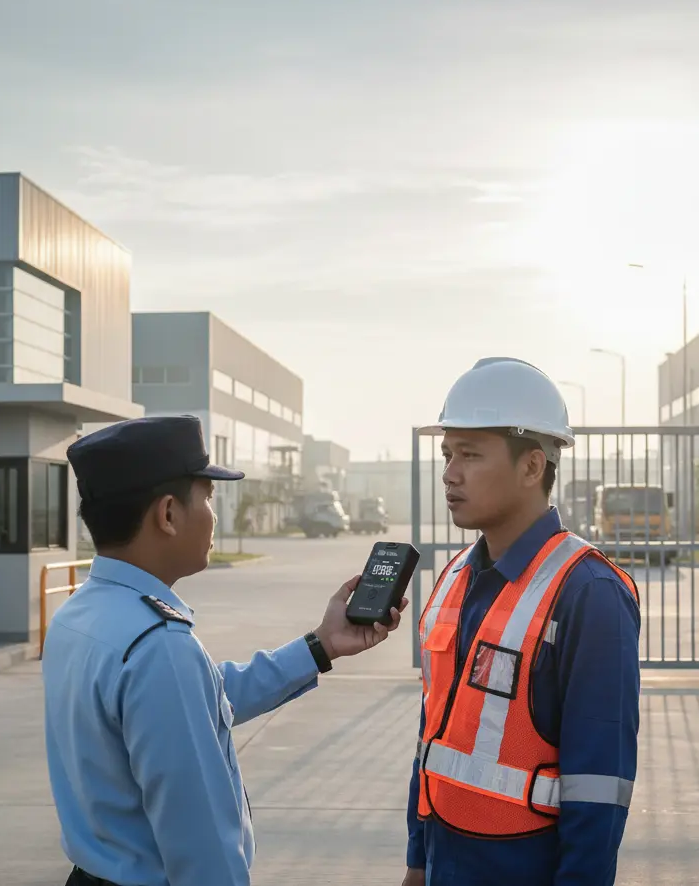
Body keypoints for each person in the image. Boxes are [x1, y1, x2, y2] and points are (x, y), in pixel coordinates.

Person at [41, 415, 408, 886]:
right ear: (168, 514)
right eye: (209, 498)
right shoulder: (158, 647)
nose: (213, 515)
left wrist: (322, 646)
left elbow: (205, 698)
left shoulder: (81, 614)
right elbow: (203, 853)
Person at [403, 358, 641, 886]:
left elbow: (600, 786)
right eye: (447, 454)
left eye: (470, 454)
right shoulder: (455, 579)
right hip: (445, 861)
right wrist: (417, 861)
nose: (449, 472)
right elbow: (434, 738)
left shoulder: (590, 594)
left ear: (533, 467)